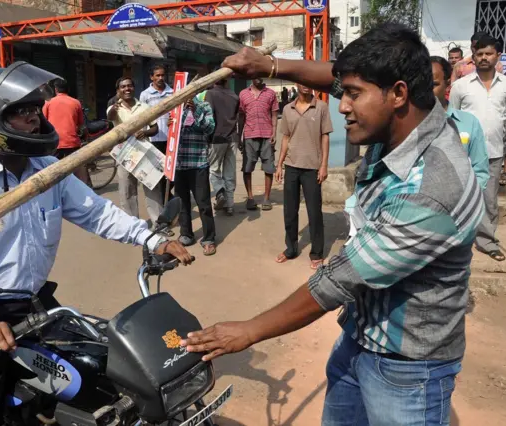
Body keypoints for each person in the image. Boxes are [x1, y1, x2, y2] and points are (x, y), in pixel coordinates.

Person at [182, 23, 484, 426]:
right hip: (360, 334)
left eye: (353, 95)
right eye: (346, 92)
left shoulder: (431, 187)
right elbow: (335, 76)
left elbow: (339, 280)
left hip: (407, 370)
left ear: (398, 93)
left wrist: (249, 330)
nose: (342, 105)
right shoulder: (403, 116)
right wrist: (270, 65)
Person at [0, 62, 193, 426]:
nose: (34, 117)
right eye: (19, 111)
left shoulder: (48, 170)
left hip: (35, 303)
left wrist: (150, 238)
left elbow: (97, 212)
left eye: (35, 109)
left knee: (95, 374)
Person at [450, 34, 506, 262]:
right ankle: (455, 239)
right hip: (463, 153)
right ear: (473, 56)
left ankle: (487, 241)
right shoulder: (460, 85)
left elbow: (505, 116)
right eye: (479, 54)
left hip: (493, 152)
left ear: (498, 56)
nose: (484, 57)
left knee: (489, 200)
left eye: (489, 53)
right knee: (457, 196)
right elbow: (453, 117)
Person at [275, 84, 332, 269]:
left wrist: (323, 165)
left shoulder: (321, 107)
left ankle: (316, 253)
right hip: (291, 165)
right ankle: (291, 249)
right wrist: (279, 164)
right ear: (297, 84)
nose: (306, 86)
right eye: (302, 82)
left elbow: (325, 136)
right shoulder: (287, 109)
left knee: (314, 212)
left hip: (312, 168)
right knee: (290, 211)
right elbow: (285, 138)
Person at [107, 77, 161, 224]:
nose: (127, 89)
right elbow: (110, 118)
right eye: (123, 87)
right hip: (123, 154)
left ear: (134, 88)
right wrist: (114, 107)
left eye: (129, 86)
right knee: (127, 191)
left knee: (152, 188)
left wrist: (145, 132)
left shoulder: (144, 107)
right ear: (118, 90)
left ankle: (158, 222)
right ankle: (132, 224)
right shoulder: (114, 108)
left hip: (144, 152)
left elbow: (155, 128)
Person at [430, 56, 489, 189]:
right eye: (421, 84)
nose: (426, 90)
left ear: (447, 85)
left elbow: (480, 171)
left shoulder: (468, 123)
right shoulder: (406, 124)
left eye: (433, 84)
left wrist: (468, 197)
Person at [173, 95, 217, 255]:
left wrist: (195, 112)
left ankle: (209, 239)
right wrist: (171, 125)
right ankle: (186, 234)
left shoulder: (204, 106)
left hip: (198, 162)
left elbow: (210, 128)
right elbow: (170, 133)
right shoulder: (175, 107)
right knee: (182, 203)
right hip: (179, 163)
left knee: (203, 203)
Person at [140, 64, 175, 234]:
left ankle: (170, 203)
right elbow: (142, 118)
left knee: (171, 177)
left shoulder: (172, 92)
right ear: (151, 77)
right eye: (157, 75)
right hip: (154, 141)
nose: (161, 78)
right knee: (159, 180)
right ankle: (164, 214)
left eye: (162, 75)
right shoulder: (145, 95)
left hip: (171, 141)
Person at [239, 77, 279, 211]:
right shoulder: (243, 94)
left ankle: (266, 198)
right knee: (247, 168)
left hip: (267, 135)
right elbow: (241, 116)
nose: (258, 78)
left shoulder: (271, 93)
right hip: (249, 135)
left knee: (269, 168)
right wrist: (239, 136)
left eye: (261, 74)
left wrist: (274, 133)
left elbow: (274, 114)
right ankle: (250, 198)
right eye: (255, 75)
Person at [41, 78, 90, 185]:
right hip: (72, 142)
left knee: (53, 172)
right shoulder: (76, 102)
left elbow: (43, 122)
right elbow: (81, 124)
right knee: (78, 171)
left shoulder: (48, 103)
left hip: (55, 143)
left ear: (55, 89)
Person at [205, 76, 239, 216]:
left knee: (213, 170)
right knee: (230, 172)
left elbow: (209, 117)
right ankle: (229, 205)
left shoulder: (210, 94)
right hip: (232, 137)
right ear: (227, 80)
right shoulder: (234, 96)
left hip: (216, 138)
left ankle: (220, 192)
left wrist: (207, 138)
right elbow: (238, 117)